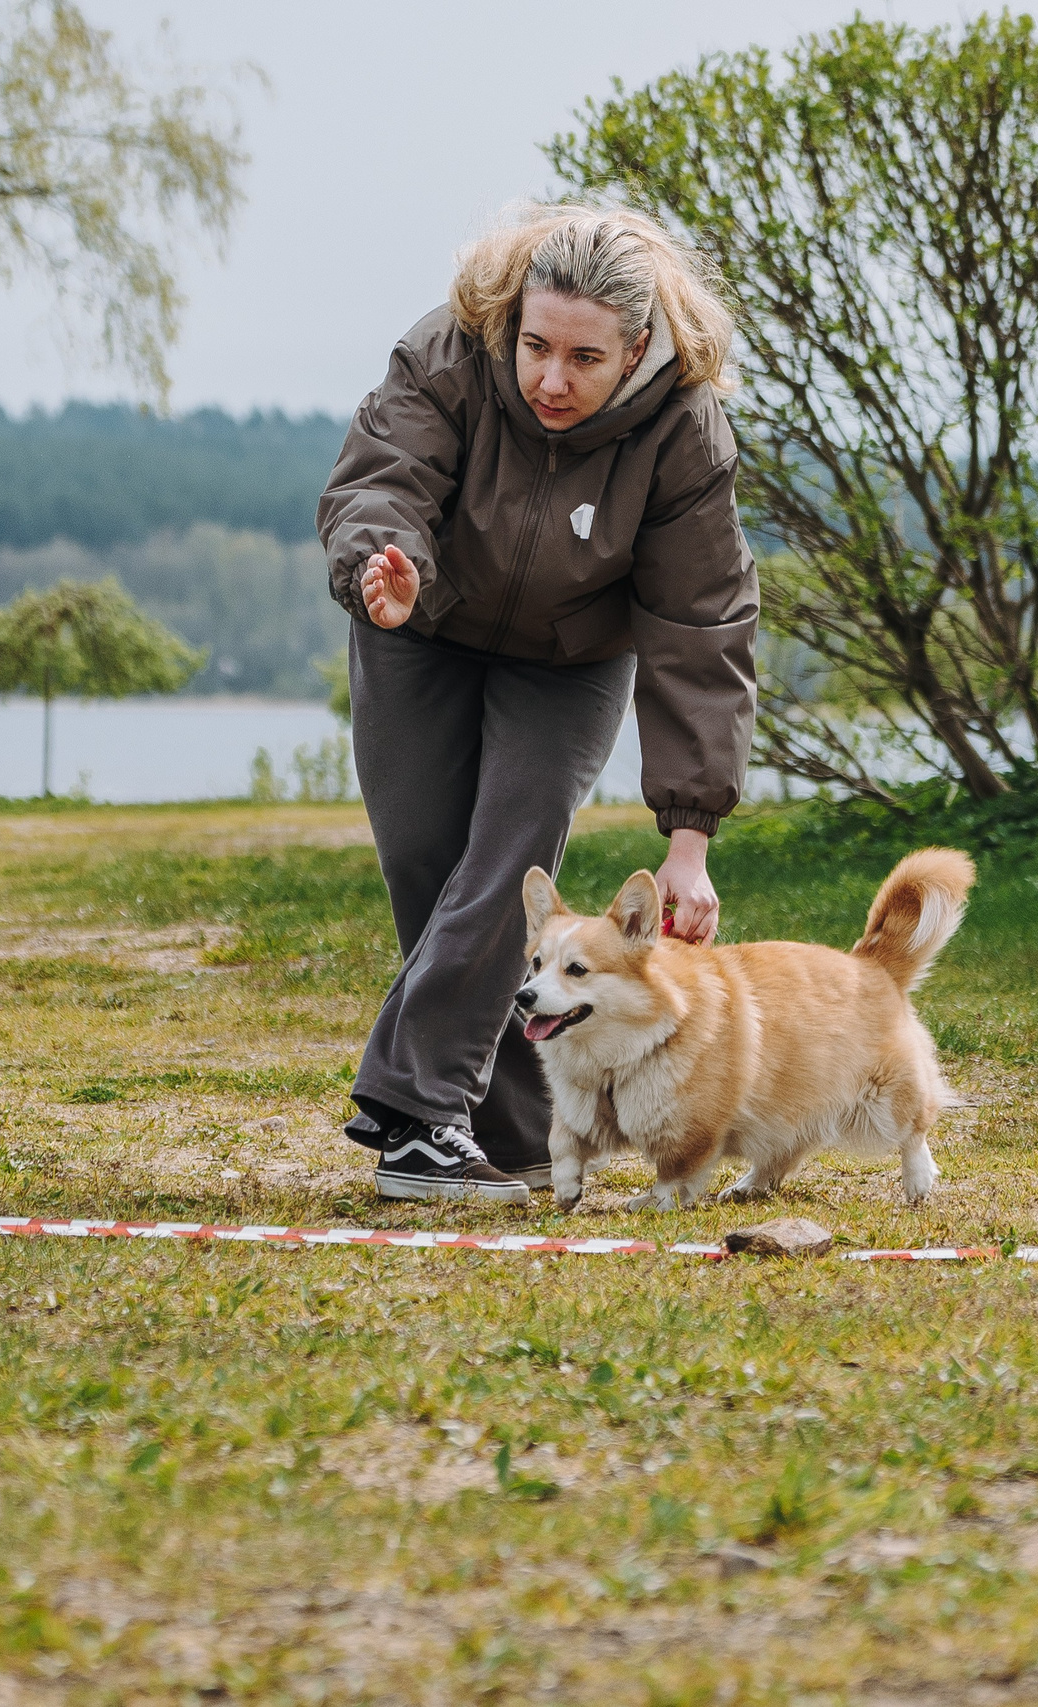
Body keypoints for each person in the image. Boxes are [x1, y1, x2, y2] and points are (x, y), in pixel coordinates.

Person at [317, 203, 757, 1205]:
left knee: (507, 859)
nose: (551, 379)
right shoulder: (447, 350)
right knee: (434, 876)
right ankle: (513, 1127)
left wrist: (689, 839)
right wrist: (383, 575)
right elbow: (383, 481)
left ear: (637, 349)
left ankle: (416, 1115)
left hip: (568, 659)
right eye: (536, 347)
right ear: (511, 320)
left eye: (585, 359)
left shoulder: (684, 429)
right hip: (415, 625)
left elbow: (701, 626)